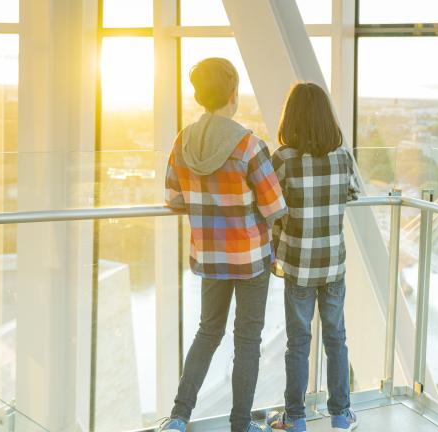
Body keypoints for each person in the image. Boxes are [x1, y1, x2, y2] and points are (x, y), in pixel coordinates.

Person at [160, 58, 287, 432]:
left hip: (210, 257)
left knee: (207, 332)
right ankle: (240, 425)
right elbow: (274, 206)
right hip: (250, 260)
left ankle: (179, 417)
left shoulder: (182, 142)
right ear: (234, 94)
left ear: (200, 96)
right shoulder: (249, 146)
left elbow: (173, 198)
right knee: (247, 339)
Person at [266, 82, 360, 432]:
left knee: (298, 342)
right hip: (333, 263)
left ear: (291, 118)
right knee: (336, 339)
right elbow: (352, 193)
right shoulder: (342, 157)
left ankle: (295, 418)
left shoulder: (284, 160)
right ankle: (340, 414)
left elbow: (272, 209)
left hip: (298, 265)